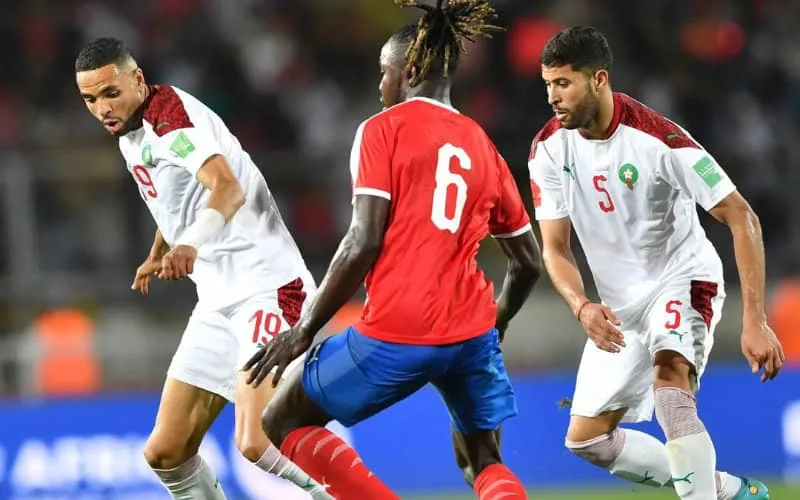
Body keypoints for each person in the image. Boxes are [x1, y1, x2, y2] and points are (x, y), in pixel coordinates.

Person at [243, 1, 541, 498]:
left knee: (282, 421)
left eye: (385, 73)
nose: (381, 86)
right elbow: (528, 261)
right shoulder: (481, 143)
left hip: (399, 328)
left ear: (413, 70)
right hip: (471, 330)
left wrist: (304, 331)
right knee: (482, 461)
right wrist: (497, 322)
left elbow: (363, 240)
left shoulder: (382, 130)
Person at [528, 26, 784, 500]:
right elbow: (555, 249)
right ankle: (726, 490)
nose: (552, 97)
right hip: (620, 305)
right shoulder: (548, 150)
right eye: (547, 84)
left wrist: (756, 319)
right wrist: (581, 305)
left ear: (598, 79)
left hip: (681, 277)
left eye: (563, 83)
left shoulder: (659, 139)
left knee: (671, 388)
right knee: (587, 440)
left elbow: (742, 217)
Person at [74, 38, 333, 500]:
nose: (101, 108)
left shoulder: (170, 120)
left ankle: (342, 494)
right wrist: (162, 247)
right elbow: (175, 199)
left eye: (110, 93)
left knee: (257, 439)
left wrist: (189, 245)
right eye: (90, 99)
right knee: (166, 452)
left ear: (137, 79)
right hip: (217, 300)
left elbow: (226, 189)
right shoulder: (131, 130)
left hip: (267, 287)